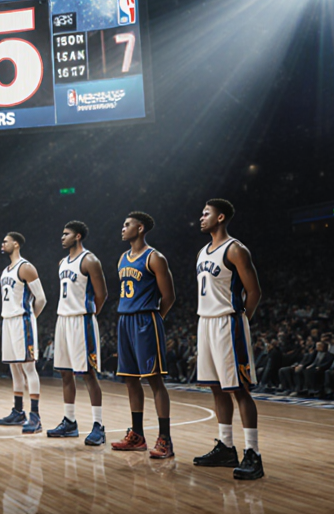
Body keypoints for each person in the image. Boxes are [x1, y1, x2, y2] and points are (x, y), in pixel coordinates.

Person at [191, 198, 265, 479]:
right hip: (205, 322)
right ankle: (226, 446)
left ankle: (253, 453)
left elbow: (254, 291)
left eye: (206, 213)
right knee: (216, 388)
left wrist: (240, 319)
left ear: (220, 217)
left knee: (239, 390)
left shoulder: (235, 249)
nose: (201, 217)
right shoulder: (201, 252)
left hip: (228, 322)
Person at [112, 211, 176, 459]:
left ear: (139, 228)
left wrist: (155, 319)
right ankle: (137, 435)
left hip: (146, 319)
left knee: (155, 379)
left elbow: (168, 296)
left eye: (126, 225)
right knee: (130, 379)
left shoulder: (155, 257)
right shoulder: (122, 258)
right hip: (125, 320)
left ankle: (165, 439)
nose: (122, 228)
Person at [47, 221, 108, 445]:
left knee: (88, 374)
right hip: (62, 319)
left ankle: (98, 425)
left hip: (81, 320)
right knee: (65, 373)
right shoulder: (62, 262)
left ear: (78, 236)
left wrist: (89, 314)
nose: (62, 237)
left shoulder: (90, 260)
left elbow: (101, 294)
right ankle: (69, 422)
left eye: (66, 234)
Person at [0, 233, 46, 433]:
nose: (3, 243)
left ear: (16, 244)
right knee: (14, 368)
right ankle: (18, 411)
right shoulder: (5, 270)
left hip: (22, 321)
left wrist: (31, 317)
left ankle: (35, 416)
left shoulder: (25, 267)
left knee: (28, 368)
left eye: (5, 241)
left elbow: (41, 298)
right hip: (8, 321)